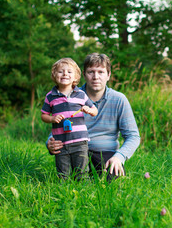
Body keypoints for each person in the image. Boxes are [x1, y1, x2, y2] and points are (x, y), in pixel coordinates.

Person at [47, 53, 140, 181]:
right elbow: (59, 125)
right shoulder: (70, 97)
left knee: (111, 180)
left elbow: (133, 136)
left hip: (106, 154)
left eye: (101, 72)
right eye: (91, 72)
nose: (96, 77)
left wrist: (119, 156)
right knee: (69, 180)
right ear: (84, 75)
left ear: (108, 75)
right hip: (75, 150)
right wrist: (50, 142)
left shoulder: (119, 100)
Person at [41, 58, 98, 180]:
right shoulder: (50, 96)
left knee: (82, 172)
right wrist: (52, 118)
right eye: (61, 71)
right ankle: (64, 191)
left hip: (80, 141)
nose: (65, 74)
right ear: (54, 75)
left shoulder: (81, 94)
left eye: (69, 72)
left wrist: (89, 110)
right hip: (60, 142)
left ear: (76, 77)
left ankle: (84, 192)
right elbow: (44, 115)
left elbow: (95, 110)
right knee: (63, 174)